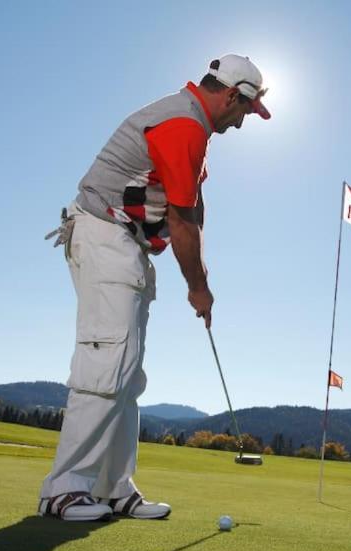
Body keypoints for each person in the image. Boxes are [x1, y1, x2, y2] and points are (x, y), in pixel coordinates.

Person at [38, 55, 270, 521]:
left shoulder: (193, 129)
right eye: (246, 110)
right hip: (104, 234)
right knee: (106, 362)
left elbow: (191, 208)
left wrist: (197, 277)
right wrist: (198, 288)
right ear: (230, 96)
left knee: (127, 375)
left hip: (128, 245)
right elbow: (183, 223)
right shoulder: (182, 124)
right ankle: (64, 490)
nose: (244, 122)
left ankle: (113, 487)